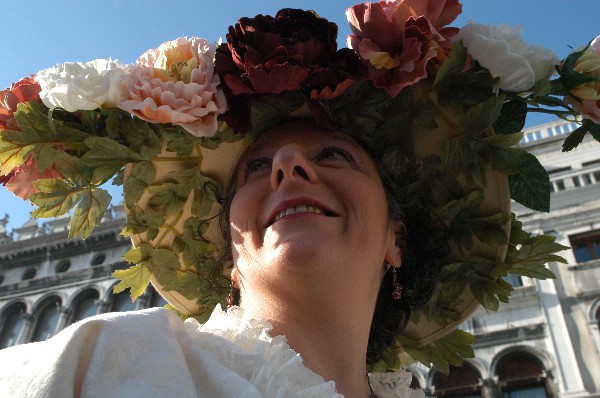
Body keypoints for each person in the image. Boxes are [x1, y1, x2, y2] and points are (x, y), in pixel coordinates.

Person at [0, 1, 597, 397]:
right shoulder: (101, 367)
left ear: (397, 237)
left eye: (334, 155)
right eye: (257, 168)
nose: (289, 164)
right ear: (228, 255)